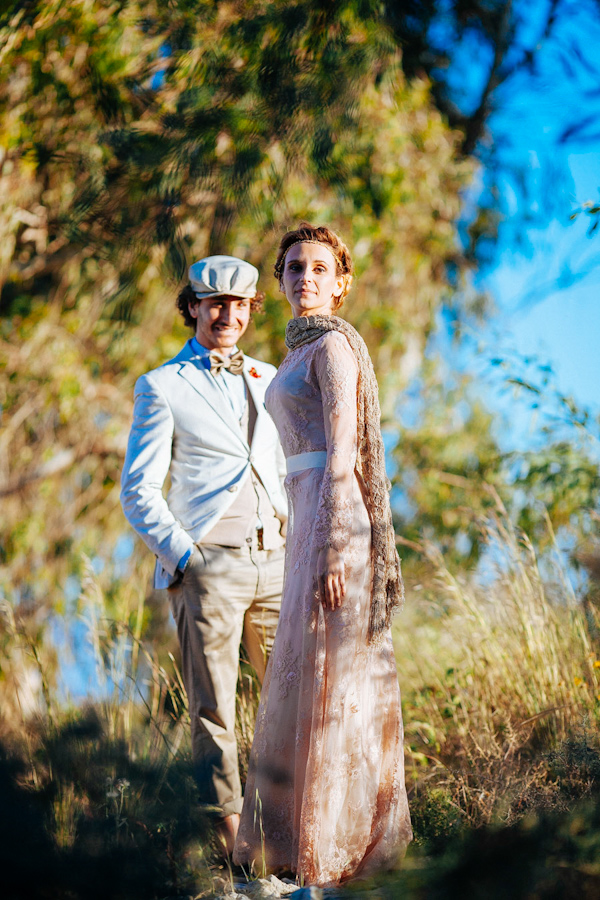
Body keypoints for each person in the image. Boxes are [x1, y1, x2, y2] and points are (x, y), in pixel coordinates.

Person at [233, 225, 412, 886]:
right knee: (306, 677)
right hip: (304, 517)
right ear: (278, 281)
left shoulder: (333, 346)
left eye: (317, 267)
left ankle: (334, 856)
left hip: (334, 525)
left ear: (340, 281)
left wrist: (336, 547)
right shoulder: (292, 353)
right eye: (292, 268)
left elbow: (341, 456)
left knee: (336, 684)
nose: (304, 277)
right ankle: (294, 852)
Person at [120, 255, 287, 856]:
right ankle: (237, 852)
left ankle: (285, 831)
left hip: (278, 561)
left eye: (240, 304)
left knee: (287, 701)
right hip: (208, 565)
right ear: (192, 306)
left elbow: (285, 466)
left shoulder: (271, 376)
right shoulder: (162, 384)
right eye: (215, 303)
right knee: (214, 711)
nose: (228, 315)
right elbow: (138, 491)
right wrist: (188, 558)